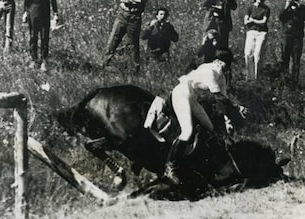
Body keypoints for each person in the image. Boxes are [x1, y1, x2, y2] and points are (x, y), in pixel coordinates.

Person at [164, 49, 248, 185]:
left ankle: (202, 166)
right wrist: (237, 108)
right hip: (181, 93)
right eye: (222, 63)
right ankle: (170, 167)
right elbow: (219, 97)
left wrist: (227, 121)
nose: (222, 67)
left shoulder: (221, 76)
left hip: (192, 97)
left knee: (211, 128)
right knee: (187, 131)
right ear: (216, 61)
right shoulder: (209, 70)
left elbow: (224, 99)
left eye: (226, 65)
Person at [102, 0, 147, 73]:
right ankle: (105, 66)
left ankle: (134, 70)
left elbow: (140, 1)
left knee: (133, 44)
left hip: (135, 16)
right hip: (122, 14)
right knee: (113, 40)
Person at [22, 0, 59, 72]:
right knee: (33, 36)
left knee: (44, 36)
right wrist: (25, 12)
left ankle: (44, 61)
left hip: (45, 10)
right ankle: (34, 60)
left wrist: (55, 13)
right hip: (33, 10)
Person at [279, 0, 305, 87]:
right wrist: (286, 6)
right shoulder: (286, 9)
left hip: (297, 37)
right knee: (285, 60)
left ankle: (294, 83)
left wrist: (298, 7)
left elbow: (302, 18)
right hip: (287, 36)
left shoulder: (302, 8)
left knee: (296, 61)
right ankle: (284, 82)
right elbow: (281, 18)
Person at [244, 0, 270, 80]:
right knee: (248, 54)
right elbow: (245, 21)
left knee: (257, 55)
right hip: (251, 32)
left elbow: (264, 22)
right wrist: (252, 21)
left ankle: (257, 78)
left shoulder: (266, 9)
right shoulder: (250, 7)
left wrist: (253, 20)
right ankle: (249, 77)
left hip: (261, 33)